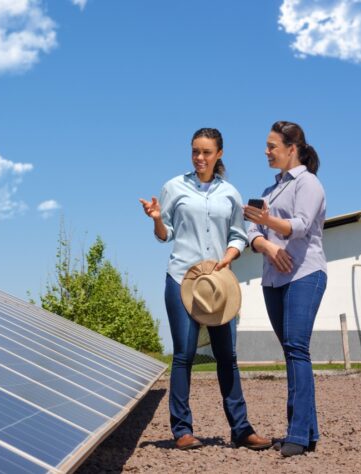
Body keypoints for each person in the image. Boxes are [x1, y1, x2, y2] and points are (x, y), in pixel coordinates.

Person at [140, 128, 271, 451]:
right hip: (181, 279)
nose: (200, 158)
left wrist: (226, 259)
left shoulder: (230, 193)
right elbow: (165, 234)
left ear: (219, 154)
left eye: (206, 152)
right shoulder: (174, 187)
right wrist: (156, 218)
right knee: (184, 355)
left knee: (227, 356)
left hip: (217, 283)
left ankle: (241, 429)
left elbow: (238, 236)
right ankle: (182, 430)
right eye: (195, 151)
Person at [244, 120, 327, 457]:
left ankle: (297, 433)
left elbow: (301, 226)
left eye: (272, 145)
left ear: (292, 148)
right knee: (291, 353)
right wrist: (266, 244)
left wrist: (266, 223)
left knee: (296, 349)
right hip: (273, 279)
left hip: (304, 274)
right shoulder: (270, 190)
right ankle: (307, 432)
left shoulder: (309, 184)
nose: (266, 151)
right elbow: (250, 231)